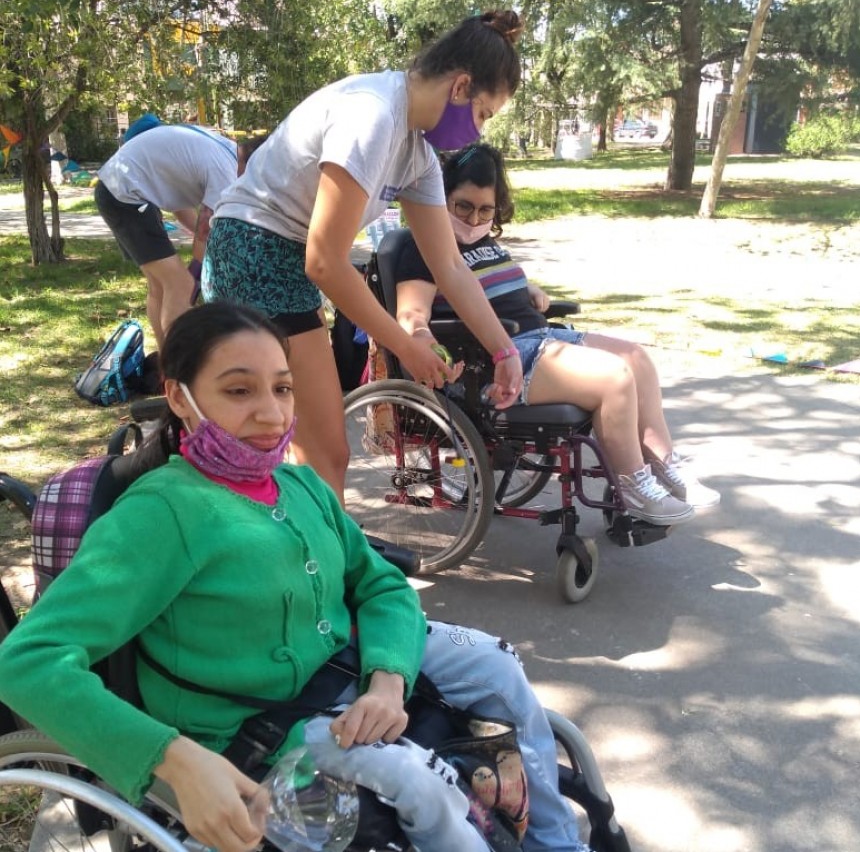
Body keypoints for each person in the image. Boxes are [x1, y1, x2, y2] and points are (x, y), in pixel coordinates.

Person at [0, 302, 592, 852]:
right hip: (246, 729)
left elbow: (380, 583)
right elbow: (26, 661)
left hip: (338, 663)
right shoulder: (161, 516)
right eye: (238, 390)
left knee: (497, 663)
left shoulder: (301, 485)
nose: (271, 412)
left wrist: (388, 678)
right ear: (180, 398)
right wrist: (173, 760)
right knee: (417, 780)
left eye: (282, 387)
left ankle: (556, 840)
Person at [203, 10, 527, 501]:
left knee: (304, 449)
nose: (478, 132)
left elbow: (452, 269)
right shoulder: (374, 114)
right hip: (252, 248)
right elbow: (326, 260)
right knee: (317, 452)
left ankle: (299, 559)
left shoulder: (416, 155)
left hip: (285, 258)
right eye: (484, 113)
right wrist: (403, 343)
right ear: (461, 87)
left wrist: (504, 351)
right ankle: (309, 567)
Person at [393, 144, 720, 525]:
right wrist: (419, 337)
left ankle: (665, 466)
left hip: (540, 337)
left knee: (636, 358)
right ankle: (634, 485)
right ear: (442, 197)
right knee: (615, 380)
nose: (474, 218)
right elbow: (413, 313)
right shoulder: (425, 247)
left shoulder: (482, 241)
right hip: (491, 359)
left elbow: (488, 286)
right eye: (463, 207)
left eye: (485, 210)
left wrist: (527, 291)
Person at [95, 124, 263, 350]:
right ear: (253, 164)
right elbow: (206, 231)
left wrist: (200, 253)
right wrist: (195, 272)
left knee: (161, 286)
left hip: (118, 187)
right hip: (125, 194)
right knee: (181, 285)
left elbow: (182, 207)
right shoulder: (226, 169)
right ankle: (180, 364)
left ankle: (167, 365)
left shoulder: (224, 147)